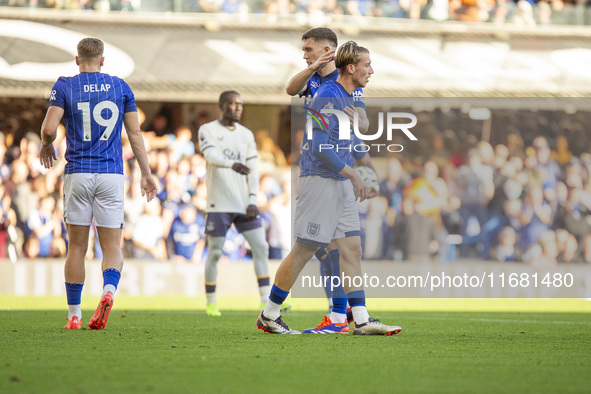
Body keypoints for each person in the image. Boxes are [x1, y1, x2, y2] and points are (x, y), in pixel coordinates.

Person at [257, 41, 401, 335]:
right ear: (351, 68)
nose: (371, 70)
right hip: (320, 179)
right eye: (367, 65)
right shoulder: (326, 96)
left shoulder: (351, 95)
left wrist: (358, 129)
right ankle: (269, 314)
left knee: (352, 249)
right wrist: (355, 175)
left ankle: (360, 320)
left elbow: (355, 130)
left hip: (341, 182)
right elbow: (319, 146)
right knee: (304, 250)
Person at [39, 37, 157, 330]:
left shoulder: (65, 85)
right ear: (103, 60)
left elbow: (50, 128)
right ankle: (108, 292)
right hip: (111, 174)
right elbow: (135, 135)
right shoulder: (120, 87)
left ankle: (74, 315)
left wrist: (45, 145)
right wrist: (146, 173)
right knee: (112, 247)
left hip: (78, 173)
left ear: (77, 60)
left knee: (77, 247)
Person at [286, 27, 375, 316]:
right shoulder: (316, 82)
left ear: (327, 50)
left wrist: (365, 166)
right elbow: (289, 90)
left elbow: (362, 123)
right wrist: (312, 66)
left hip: (339, 163)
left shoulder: (350, 82)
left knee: (339, 247)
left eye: (308, 49)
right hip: (319, 165)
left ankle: (342, 311)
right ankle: (338, 310)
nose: (304, 54)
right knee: (320, 247)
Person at [198, 90, 271, 316]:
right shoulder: (207, 130)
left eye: (240, 104)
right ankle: (211, 300)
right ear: (222, 106)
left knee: (261, 246)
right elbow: (210, 156)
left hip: (244, 203)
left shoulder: (246, 134)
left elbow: (254, 170)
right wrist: (232, 164)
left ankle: (266, 298)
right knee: (216, 252)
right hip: (219, 202)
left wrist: (252, 199)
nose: (237, 108)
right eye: (231, 104)